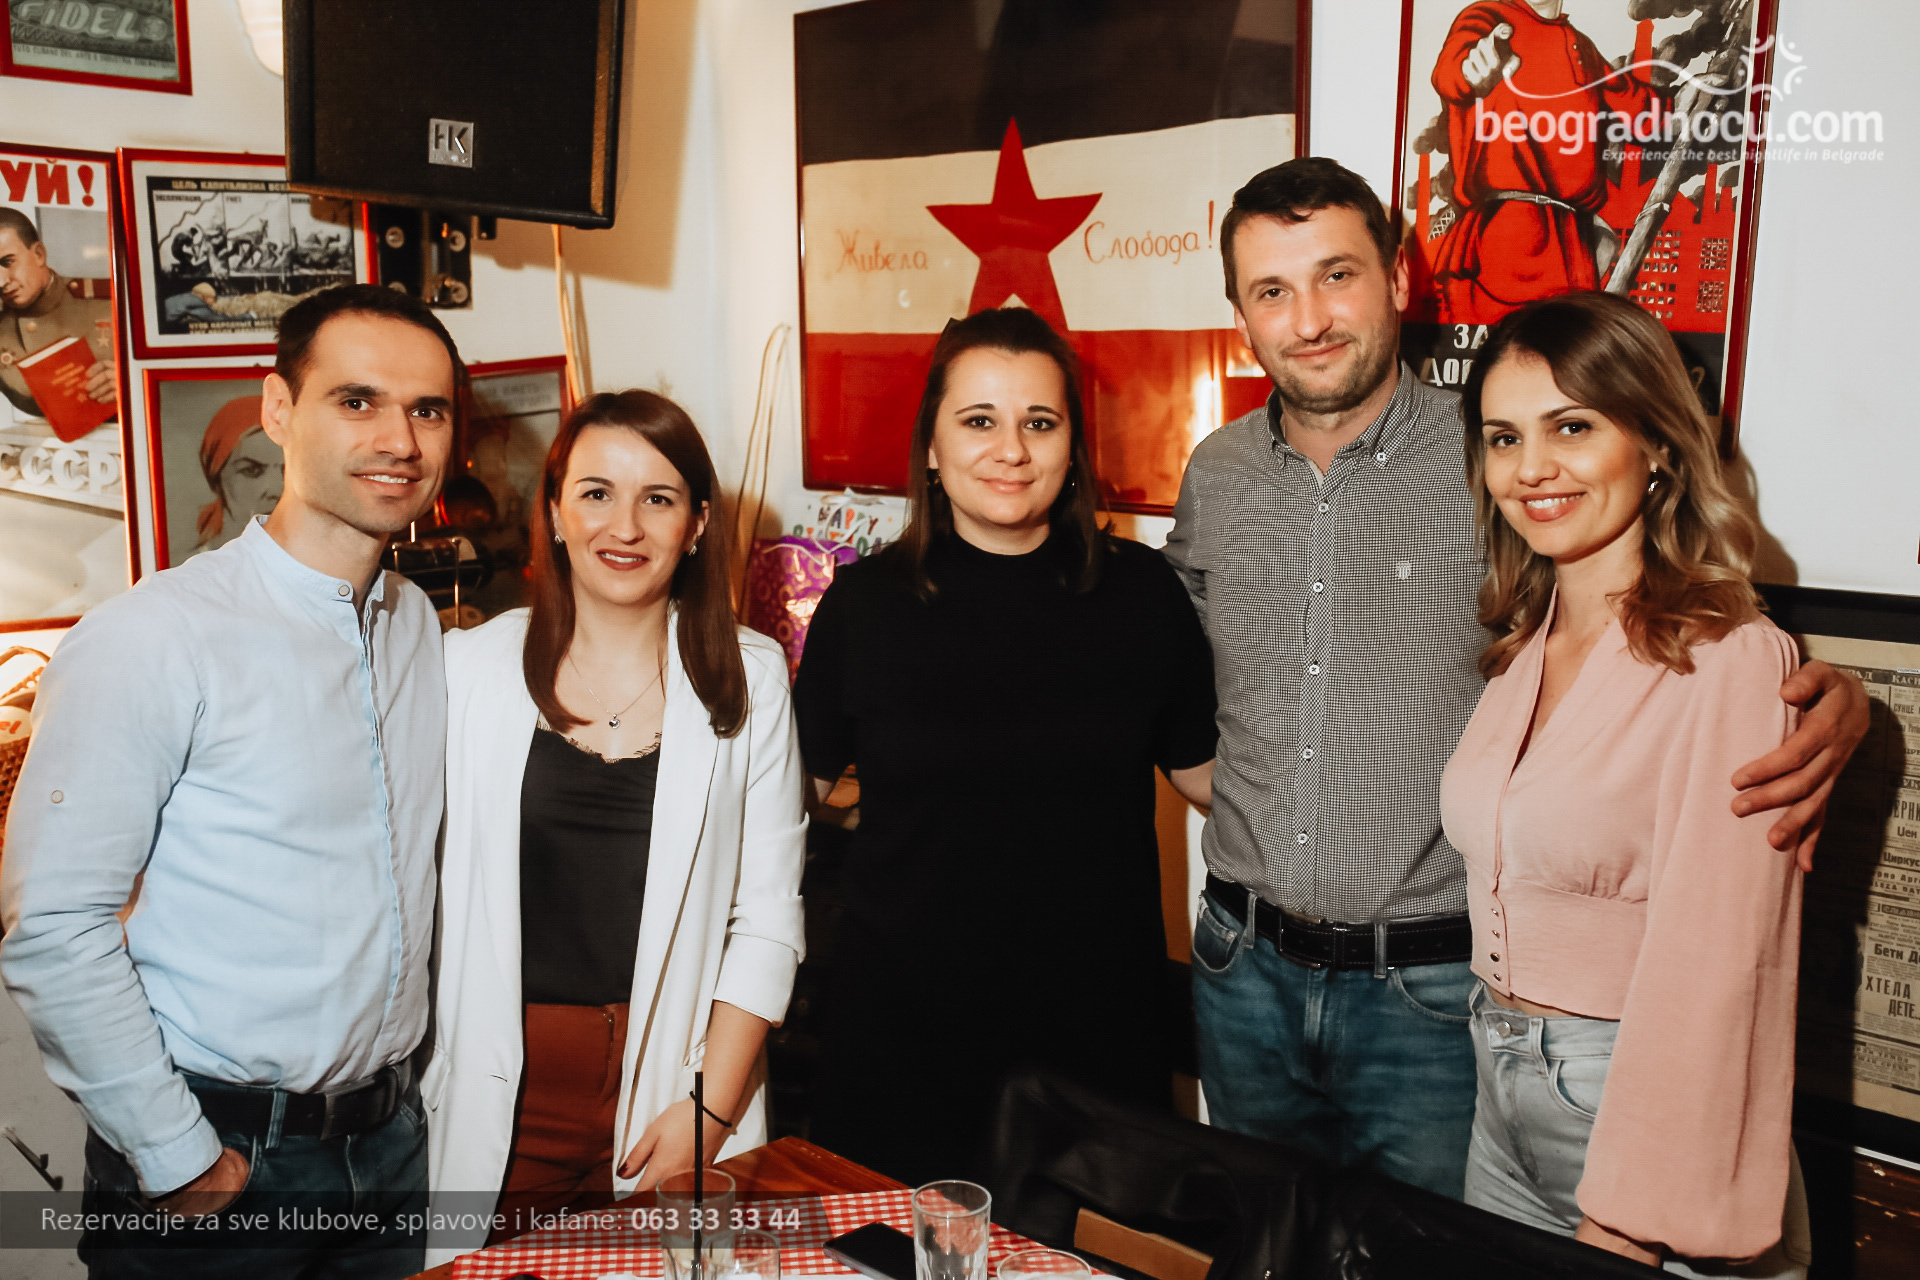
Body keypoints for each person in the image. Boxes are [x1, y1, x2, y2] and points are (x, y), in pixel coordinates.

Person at [1163, 156, 1866, 1199]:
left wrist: (1823, 692)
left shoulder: (1495, 453)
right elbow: (1167, 666)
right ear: (1239, 315)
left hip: (1436, 994)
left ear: (1398, 277)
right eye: (1272, 290)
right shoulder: (1215, 475)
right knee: (1261, 1244)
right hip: (1240, 969)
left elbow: (1658, 606)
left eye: (1337, 275)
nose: (1308, 319)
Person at [0, 282, 460, 1279]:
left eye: (427, 409)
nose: (400, 439)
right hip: (222, 1157)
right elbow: (54, 924)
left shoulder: (415, 625)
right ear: (279, 409)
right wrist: (176, 1156)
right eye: (357, 400)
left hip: (388, 1148)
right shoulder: (155, 634)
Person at [794, 307, 1218, 1187]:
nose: (1011, 451)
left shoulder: (1141, 595)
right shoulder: (863, 606)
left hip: (1093, 1035)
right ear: (932, 447)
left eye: (1040, 422)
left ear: (1073, 449)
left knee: (1084, 1252)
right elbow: (789, 799)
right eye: (979, 420)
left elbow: (1209, 775)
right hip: (902, 1031)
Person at [1443, 290, 1809, 1273]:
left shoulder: (1732, 658)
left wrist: (1632, 1218)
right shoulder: (1520, 648)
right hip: (1498, 1089)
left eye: (1572, 426)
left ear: (1654, 444)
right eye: (1504, 437)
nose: (1532, 467)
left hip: (1641, 1112)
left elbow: (1723, 964)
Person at [424, 390, 806, 1266]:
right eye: (596, 493)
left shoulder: (749, 677)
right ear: (556, 512)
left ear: (697, 524)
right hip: (503, 1092)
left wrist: (709, 1112)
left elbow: (768, 920)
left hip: (679, 1082)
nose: (624, 526)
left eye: (657, 498)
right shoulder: (465, 670)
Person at [1428, 0, 1655, 320]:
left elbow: (1639, 108)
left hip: (1573, 245)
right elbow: (1452, 70)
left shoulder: (1582, 46)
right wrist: (1472, 67)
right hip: (1509, 236)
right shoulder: (1487, 16)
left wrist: (1698, 95)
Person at [0, 206, 115, 420]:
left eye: (7, 262)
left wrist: (132, 383)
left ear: (38, 254)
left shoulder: (107, 301)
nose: (1, 281)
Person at [194, 393, 283, 552]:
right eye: (252, 471)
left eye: (288, 470)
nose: (276, 490)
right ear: (217, 479)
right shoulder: (201, 566)